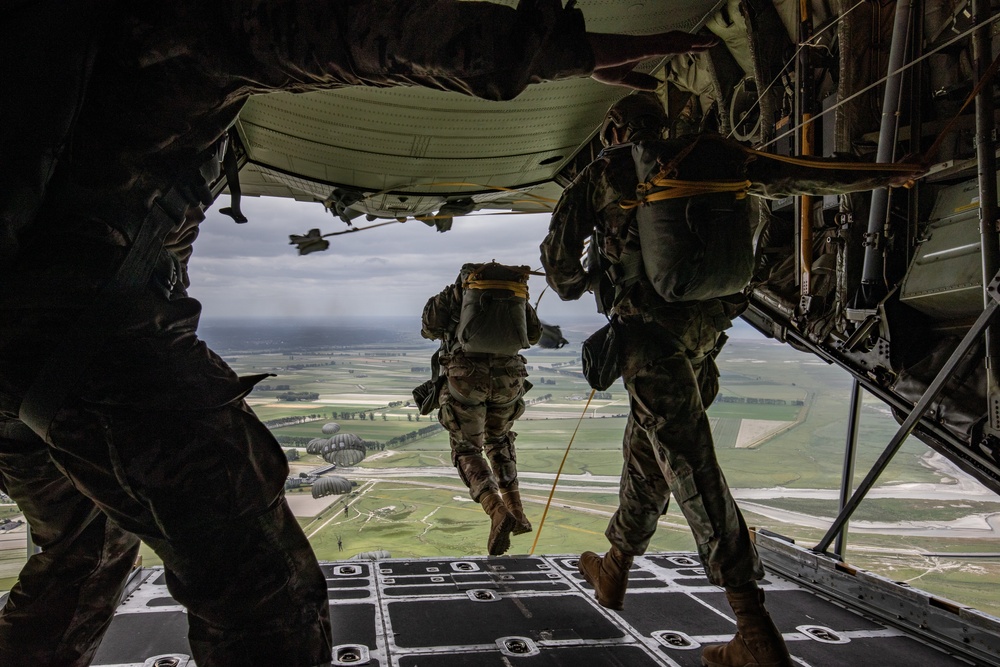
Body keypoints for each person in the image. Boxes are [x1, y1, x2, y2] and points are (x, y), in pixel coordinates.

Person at [0, 2, 719, 665]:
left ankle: (495, 500)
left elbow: (441, 320)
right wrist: (548, 48)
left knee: (87, 548)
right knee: (264, 593)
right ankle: (506, 497)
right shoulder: (166, 24)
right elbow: (349, 29)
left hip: (28, 348)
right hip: (97, 340)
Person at [539, 92, 923, 667]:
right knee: (650, 453)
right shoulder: (717, 156)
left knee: (688, 464)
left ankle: (753, 625)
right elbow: (794, 179)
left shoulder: (607, 173)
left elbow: (562, 274)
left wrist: (598, 265)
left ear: (614, 131)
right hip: (705, 331)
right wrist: (888, 175)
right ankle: (614, 570)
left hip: (648, 340)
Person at [419, 263, 541, 556]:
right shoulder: (517, 295)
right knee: (499, 440)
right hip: (508, 379)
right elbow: (533, 335)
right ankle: (517, 509)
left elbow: (429, 329)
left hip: (466, 379)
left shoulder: (454, 294)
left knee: (467, 449)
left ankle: (496, 510)